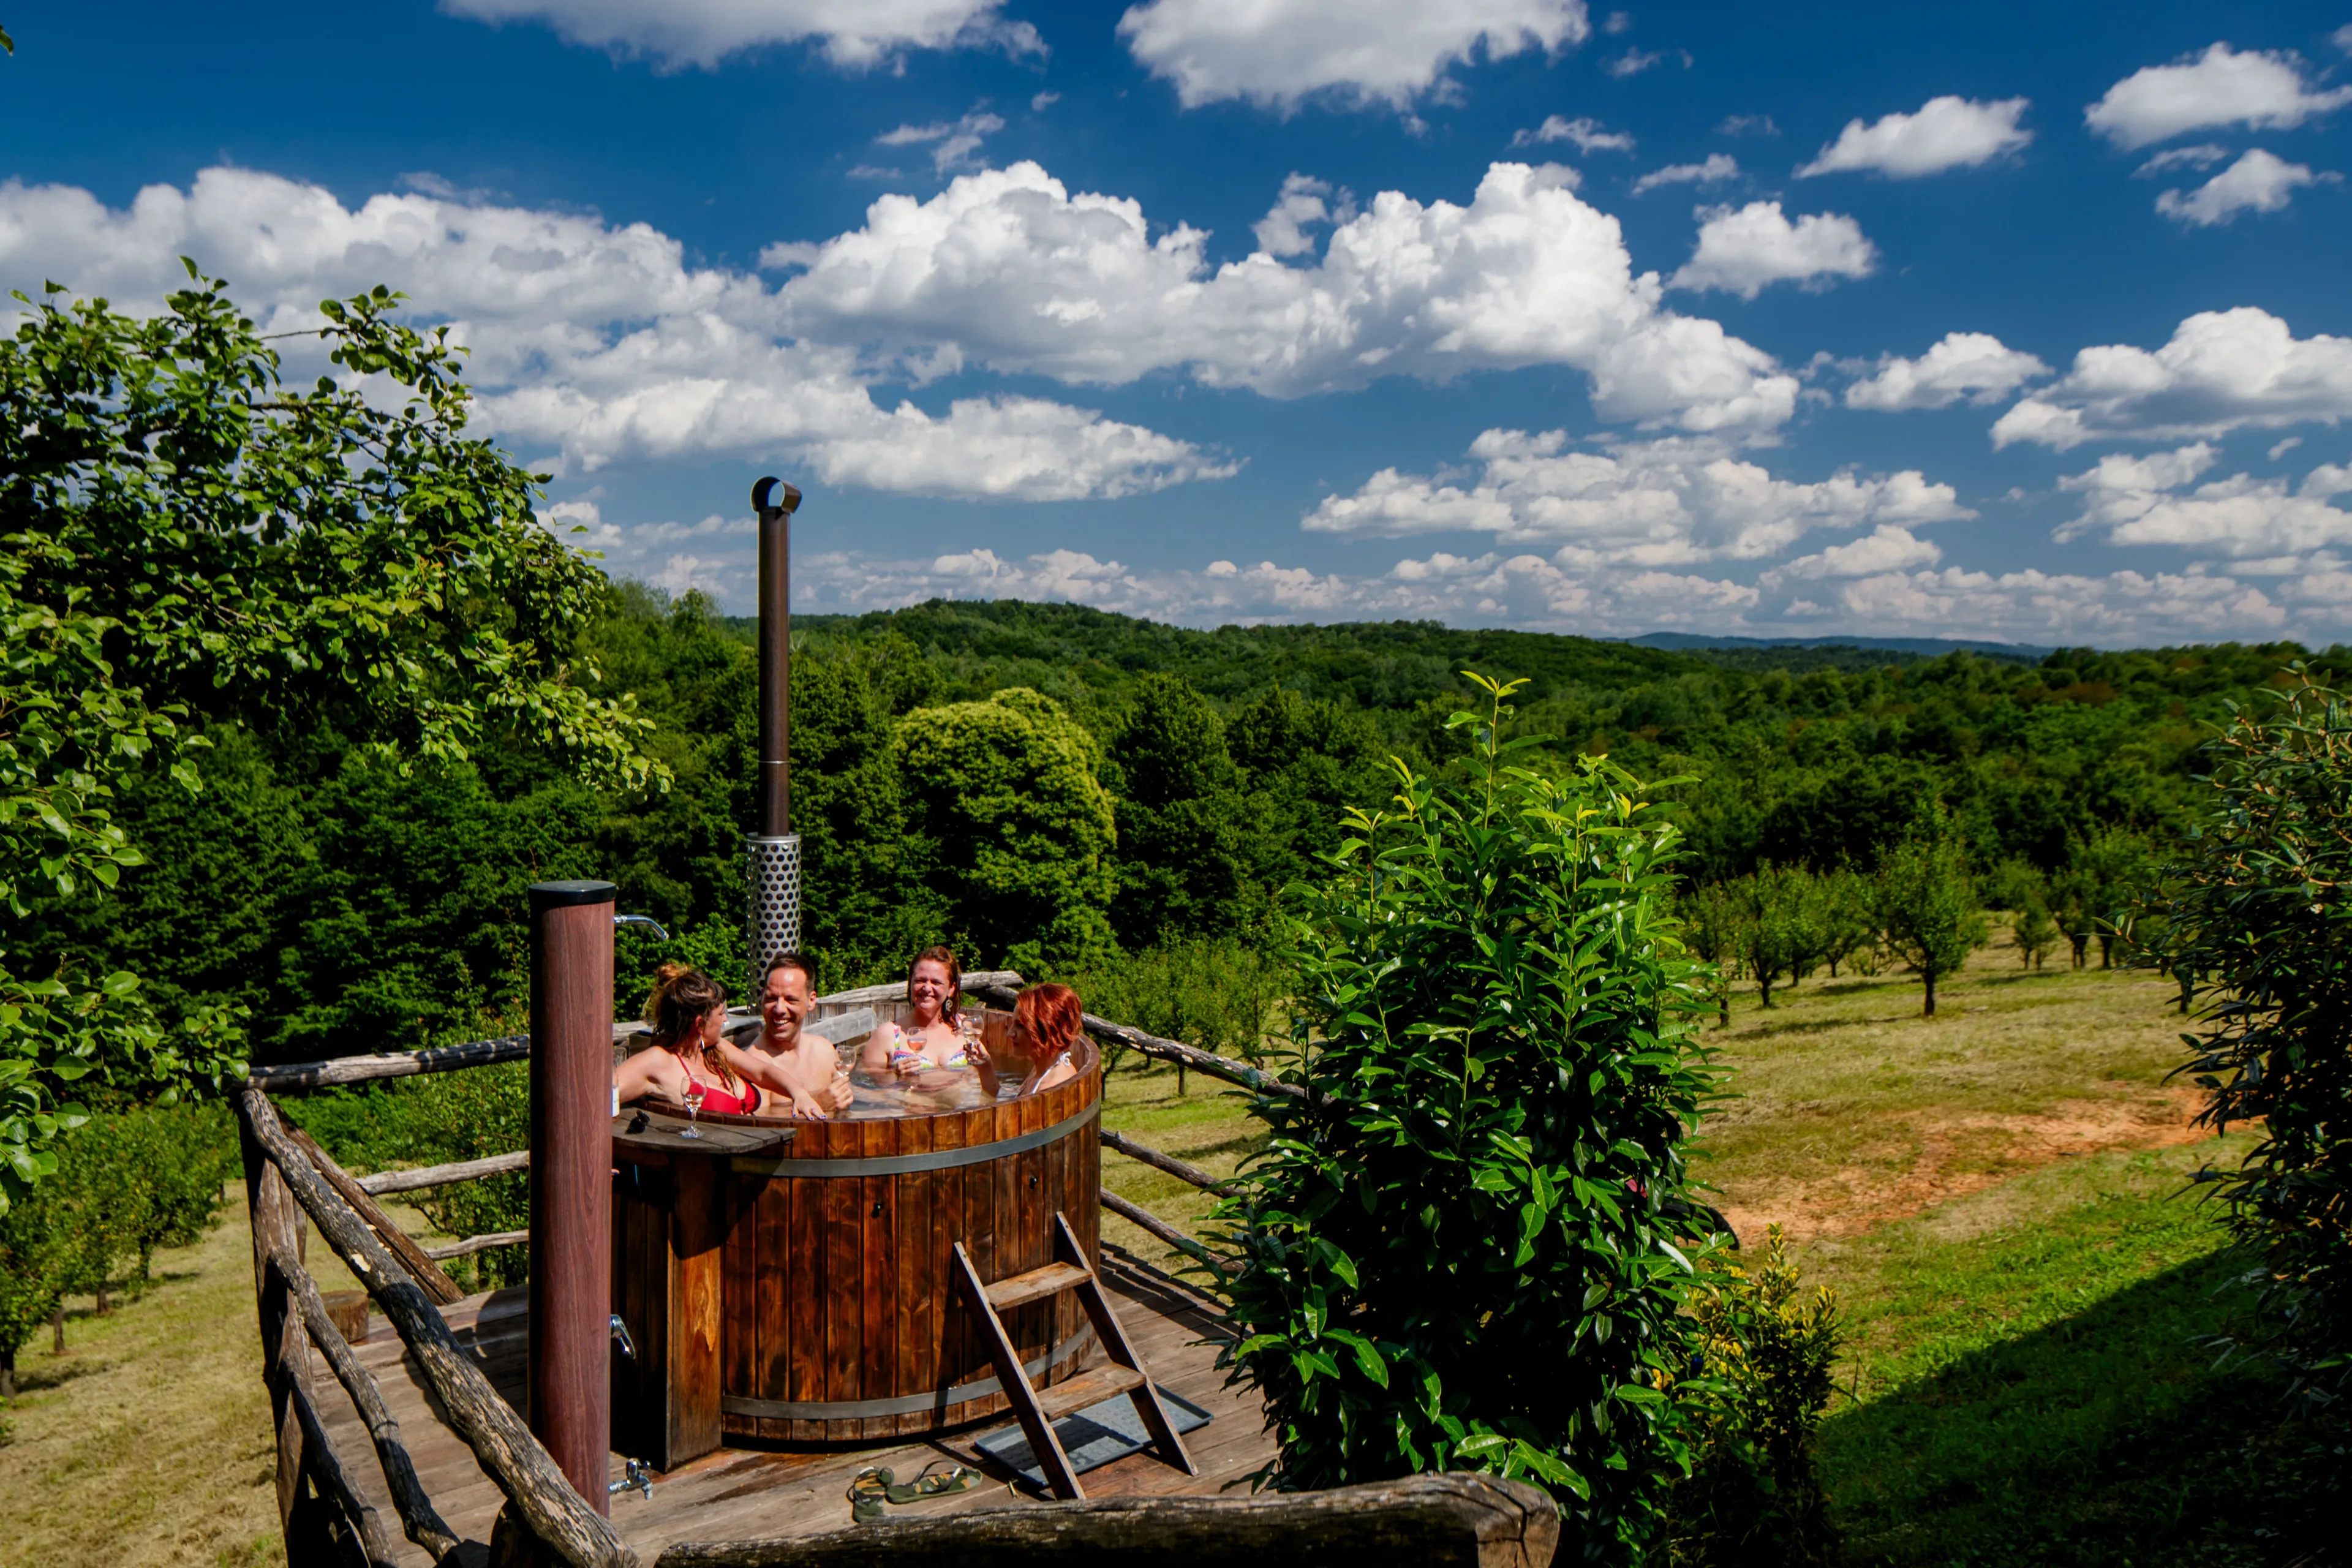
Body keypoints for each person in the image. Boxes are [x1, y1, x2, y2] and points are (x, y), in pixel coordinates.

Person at [612, 963, 820, 1119]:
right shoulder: (659, 1061)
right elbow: (600, 1098)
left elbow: (763, 1072)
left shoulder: (716, 1048)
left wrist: (799, 1094)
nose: (726, 1020)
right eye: (721, 1014)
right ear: (700, 1024)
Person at [745, 952, 854, 1117]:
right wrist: (821, 1105)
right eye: (772, 998)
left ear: (811, 1001)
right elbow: (761, 1130)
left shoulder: (824, 1050)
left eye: (791, 1000)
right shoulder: (753, 1065)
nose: (779, 1009)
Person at [859, 946, 983, 1078]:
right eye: (920, 980)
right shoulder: (888, 1034)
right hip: (908, 1099)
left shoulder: (965, 1028)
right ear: (910, 983)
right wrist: (895, 1077)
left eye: (936, 982)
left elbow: (983, 1076)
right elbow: (866, 1090)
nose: (927, 988)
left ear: (951, 988)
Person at [977, 982, 1085, 1098]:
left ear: (1046, 1029)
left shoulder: (1050, 1089)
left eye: (1020, 1026)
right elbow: (1007, 1097)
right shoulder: (1043, 1067)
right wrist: (985, 1066)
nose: (1010, 1034)